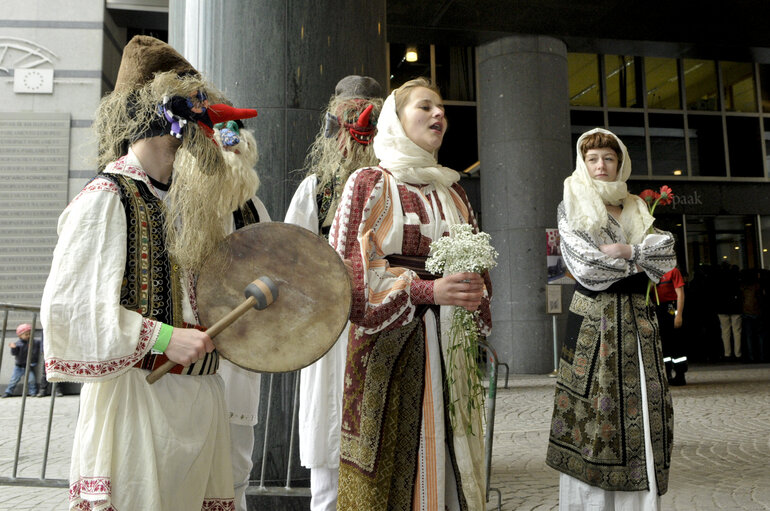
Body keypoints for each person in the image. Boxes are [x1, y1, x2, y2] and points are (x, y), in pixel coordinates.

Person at [40, 35, 265, 510]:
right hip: (138, 401)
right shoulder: (108, 197)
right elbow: (70, 311)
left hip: (203, 401)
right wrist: (163, 337)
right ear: (159, 116)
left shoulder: (192, 204)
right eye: (191, 117)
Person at [330, 77, 492, 510]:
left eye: (441, 109)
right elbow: (351, 276)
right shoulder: (370, 183)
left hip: (450, 347)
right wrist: (427, 289)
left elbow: (476, 268)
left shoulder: (454, 192)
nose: (438, 114)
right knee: (393, 466)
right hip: (391, 349)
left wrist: (472, 290)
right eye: (424, 107)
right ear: (396, 121)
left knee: (450, 457)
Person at [546, 128, 676, 510]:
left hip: (639, 324)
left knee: (646, 411)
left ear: (620, 163)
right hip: (595, 324)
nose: (601, 166)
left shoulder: (636, 205)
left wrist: (626, 250)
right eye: (593, 159)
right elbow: (588, 268)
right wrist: (640, 258)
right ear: (582, 163)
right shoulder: (571, 203)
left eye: (609, 158)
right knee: (595, 414)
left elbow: (666, 256)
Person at [284, 74, 382, 511]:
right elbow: (289, 258)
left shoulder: (398, 186)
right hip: (331, 334)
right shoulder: (317, 191)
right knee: (328, 463)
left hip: (385, 330)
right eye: (345, 127)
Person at [656, 267, 687, 385]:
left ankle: (680, 374)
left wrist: (678, 315)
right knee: (663, 345)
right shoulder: (652, 272)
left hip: (670, 309)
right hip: (658, 309)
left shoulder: (673, 271)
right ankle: (666, 374)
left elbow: (680, 293)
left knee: (676, 344)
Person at [2, 323, 40, 398]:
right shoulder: (18, 344)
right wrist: (13, 348)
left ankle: (33, 392)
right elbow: (14, 353)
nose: (28, 336)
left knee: (31, 380)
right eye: (26, 334)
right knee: (14, 380)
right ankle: (8, 392)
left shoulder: (34, 342)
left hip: (29, 366)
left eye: (29, 334)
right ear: (20, 336)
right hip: (19, 366)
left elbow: (40, 344)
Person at [715, 263, 743, 360]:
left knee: (725, 331)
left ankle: (727, 353)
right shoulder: (735, 279)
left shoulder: (718, 279)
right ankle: (738, 353)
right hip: (735, 308)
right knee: (737, 331)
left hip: (722, 308)